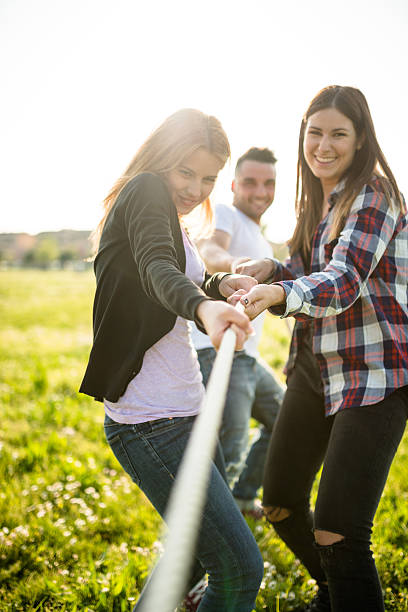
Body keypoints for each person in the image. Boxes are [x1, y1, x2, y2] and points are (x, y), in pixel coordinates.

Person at [79, 109, 264, 611]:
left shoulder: (168, 212)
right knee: (240, 570)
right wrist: (205, 308)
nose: (196, 188)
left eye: (208, 178)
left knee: (193, 559)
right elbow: (157, 268)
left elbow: (183, 274)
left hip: (184, 409)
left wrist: (219, 286)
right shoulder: (144, 191)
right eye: (186, 172)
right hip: (152, 423)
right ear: (162, 158)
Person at [231, 86, 408, 611]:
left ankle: (344, 587)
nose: (323, 145)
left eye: (338, 134)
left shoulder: (375, 196)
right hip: (313, 367)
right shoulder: (316, 202)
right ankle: (334, 592)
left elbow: (346, 277)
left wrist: (284, 292)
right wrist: (275, 271)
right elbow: (309, 272)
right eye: (315, 132)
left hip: (374, 372)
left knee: (337, 530)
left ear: (360, 141)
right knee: (280, 505)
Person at [190, 147, 284, 518]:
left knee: (282, 420)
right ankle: (207, 542)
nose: (260, 192)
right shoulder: (225, 214)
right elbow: (209, 247)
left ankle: (242, 499)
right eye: (250, 182)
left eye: (268, 183)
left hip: (246, 354)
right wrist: (232, 265)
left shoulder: (258, 233)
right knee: (228, 453)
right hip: (216, 350)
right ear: (233, 185)